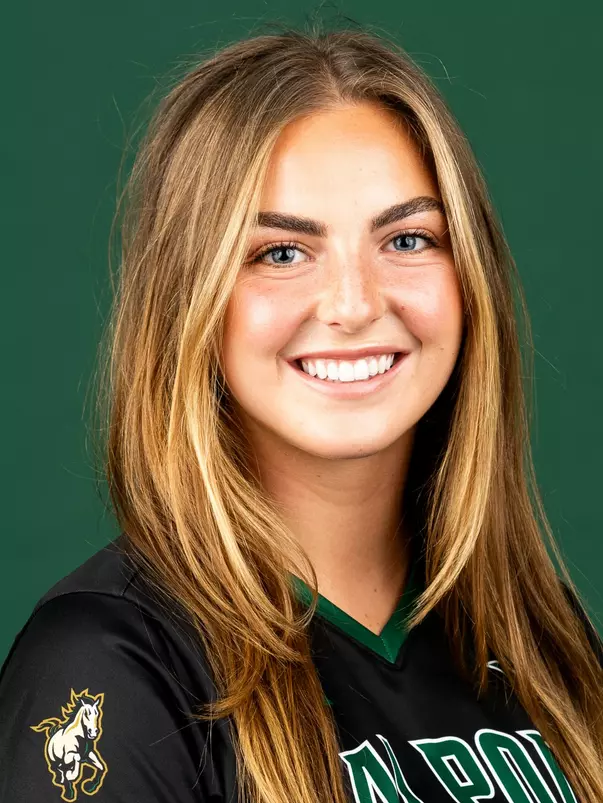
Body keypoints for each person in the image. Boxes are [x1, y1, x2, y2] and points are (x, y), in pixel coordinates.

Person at [1, 23, 602, 803]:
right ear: (190, 300)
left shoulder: (539, 637)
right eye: (281, 253)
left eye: (408, 238)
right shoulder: (110, 661)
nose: (353, 304)